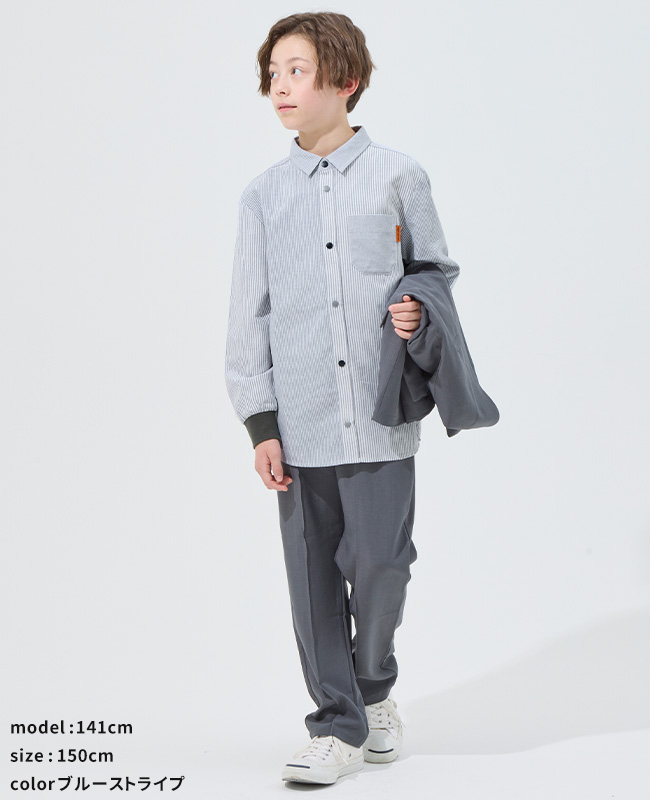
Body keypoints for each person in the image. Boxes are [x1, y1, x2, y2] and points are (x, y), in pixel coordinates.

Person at [224, 11, 460, 785]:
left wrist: (416, 306)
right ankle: (336, 723)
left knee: (383, 564)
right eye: (273, 74)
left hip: (382, 417)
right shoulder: (262, 197)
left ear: (345, 80)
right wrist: (260, 422)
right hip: (299, 424)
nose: (279, 87)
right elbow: (248, 315)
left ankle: (373, 688)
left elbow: (433, 269)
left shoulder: (399, 176)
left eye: (296, 70)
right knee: (313, 578)